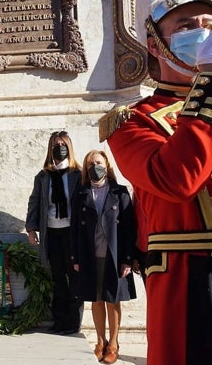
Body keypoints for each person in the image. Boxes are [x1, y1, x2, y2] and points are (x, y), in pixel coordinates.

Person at [100, 0, 212, 363]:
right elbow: (178, 178)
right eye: (187, 26)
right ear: (153, 42)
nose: (204, 33)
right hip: (196, 287)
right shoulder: (131, 122)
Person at [70, 150, 136, 364]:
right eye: (90, 164)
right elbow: (74, 229)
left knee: (112, 299)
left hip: (114, 255)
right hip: (90, 254)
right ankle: (100, 341)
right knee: (96, 298)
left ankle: (114, 343)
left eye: (98, 162)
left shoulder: (120, 192)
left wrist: (127, 258)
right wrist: (76, 257)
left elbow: (129, 228)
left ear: (107, 164)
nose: (94, 167)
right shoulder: (81, 193)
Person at [25, 131, 83, 335]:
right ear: (50, 149)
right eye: (56, 144)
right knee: (57, 278)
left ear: (69, 146)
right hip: (52, 233)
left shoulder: (78, 174)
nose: (60, 147)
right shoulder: (43, 176)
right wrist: (31, 229)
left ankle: (73, 322)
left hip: (72, 234)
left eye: (63, 144)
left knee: (74, 277)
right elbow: (35, 202)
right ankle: (59, 321)